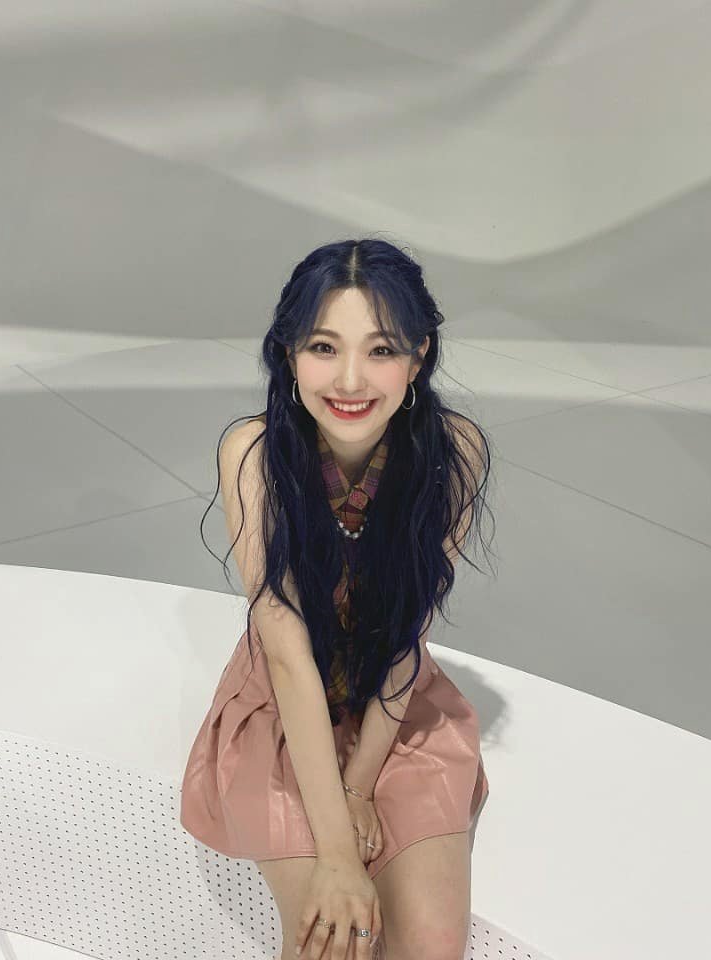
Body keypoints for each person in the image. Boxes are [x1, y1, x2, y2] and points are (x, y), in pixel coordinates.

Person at [180, 238, 494, 960]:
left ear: (418, 357)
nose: (351, 379)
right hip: (284, 714)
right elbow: (287, 655)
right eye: (324, 346)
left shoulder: (453, 453)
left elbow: (409, 634)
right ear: (288, 353)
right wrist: (338, 852)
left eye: (381, 350)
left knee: (431, 949)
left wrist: (360, 786)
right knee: (337, 946)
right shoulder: (255, 455)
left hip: (396, 708)